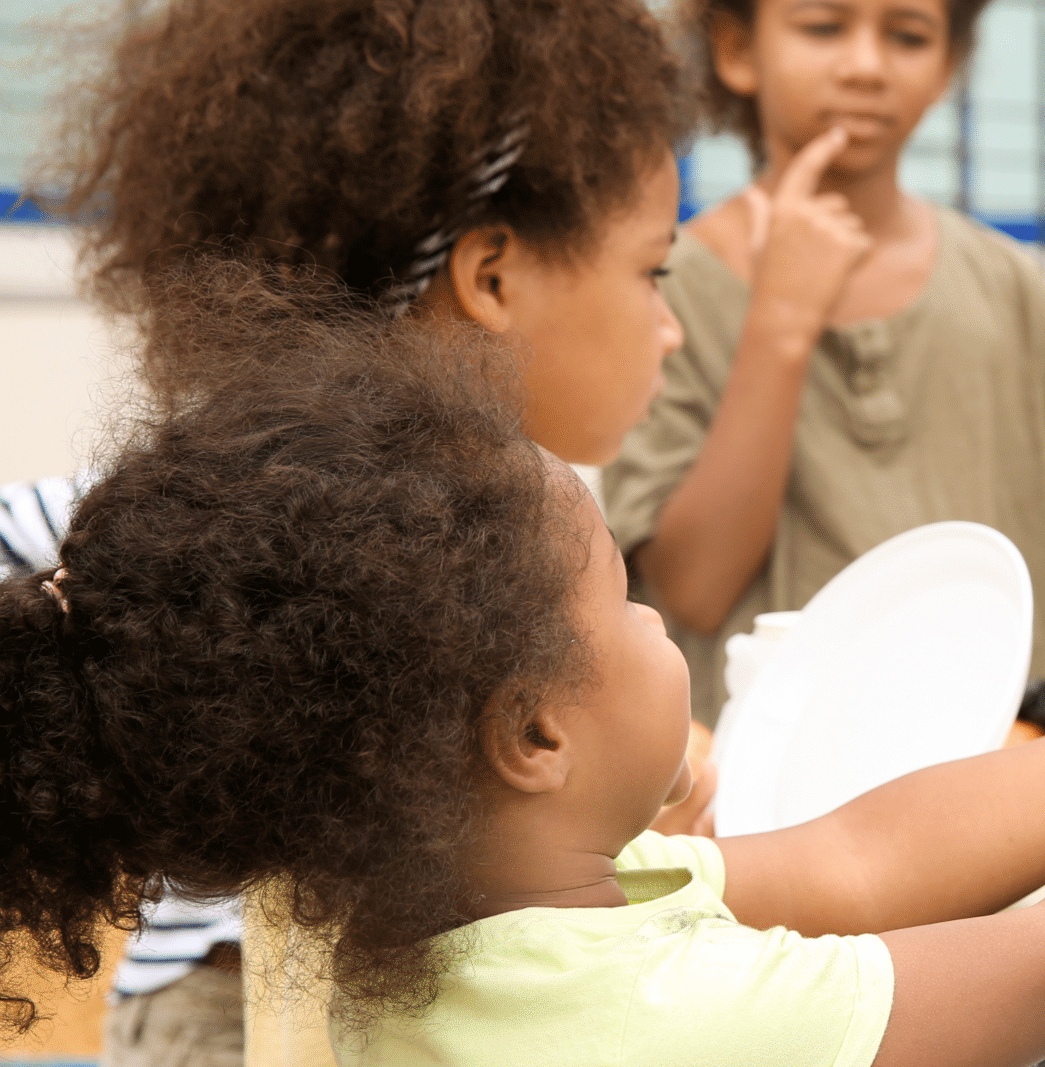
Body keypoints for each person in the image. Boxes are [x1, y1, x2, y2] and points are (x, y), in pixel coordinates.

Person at [0, 280, 1045, 1066]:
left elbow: (866, 854)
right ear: (533, 729)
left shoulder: (372, 892)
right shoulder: (635, 1014)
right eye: (627, 595)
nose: (668, 621)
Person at [44, 0, 696, 1055]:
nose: (671, 325)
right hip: (239, 1018)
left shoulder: (510, 512)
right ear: (491, 275)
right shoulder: (277, 492)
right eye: (653, 269)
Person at [604, 0, 1045, 723]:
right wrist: (781, 321)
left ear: (948, 66)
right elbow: (694, 588)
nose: (866, 66)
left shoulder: (1005, 281)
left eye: (907, 35)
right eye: (823, 27)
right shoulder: (667, 287)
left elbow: (1041, 565)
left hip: (1010, 752)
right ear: (739, 49)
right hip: (790, 782)